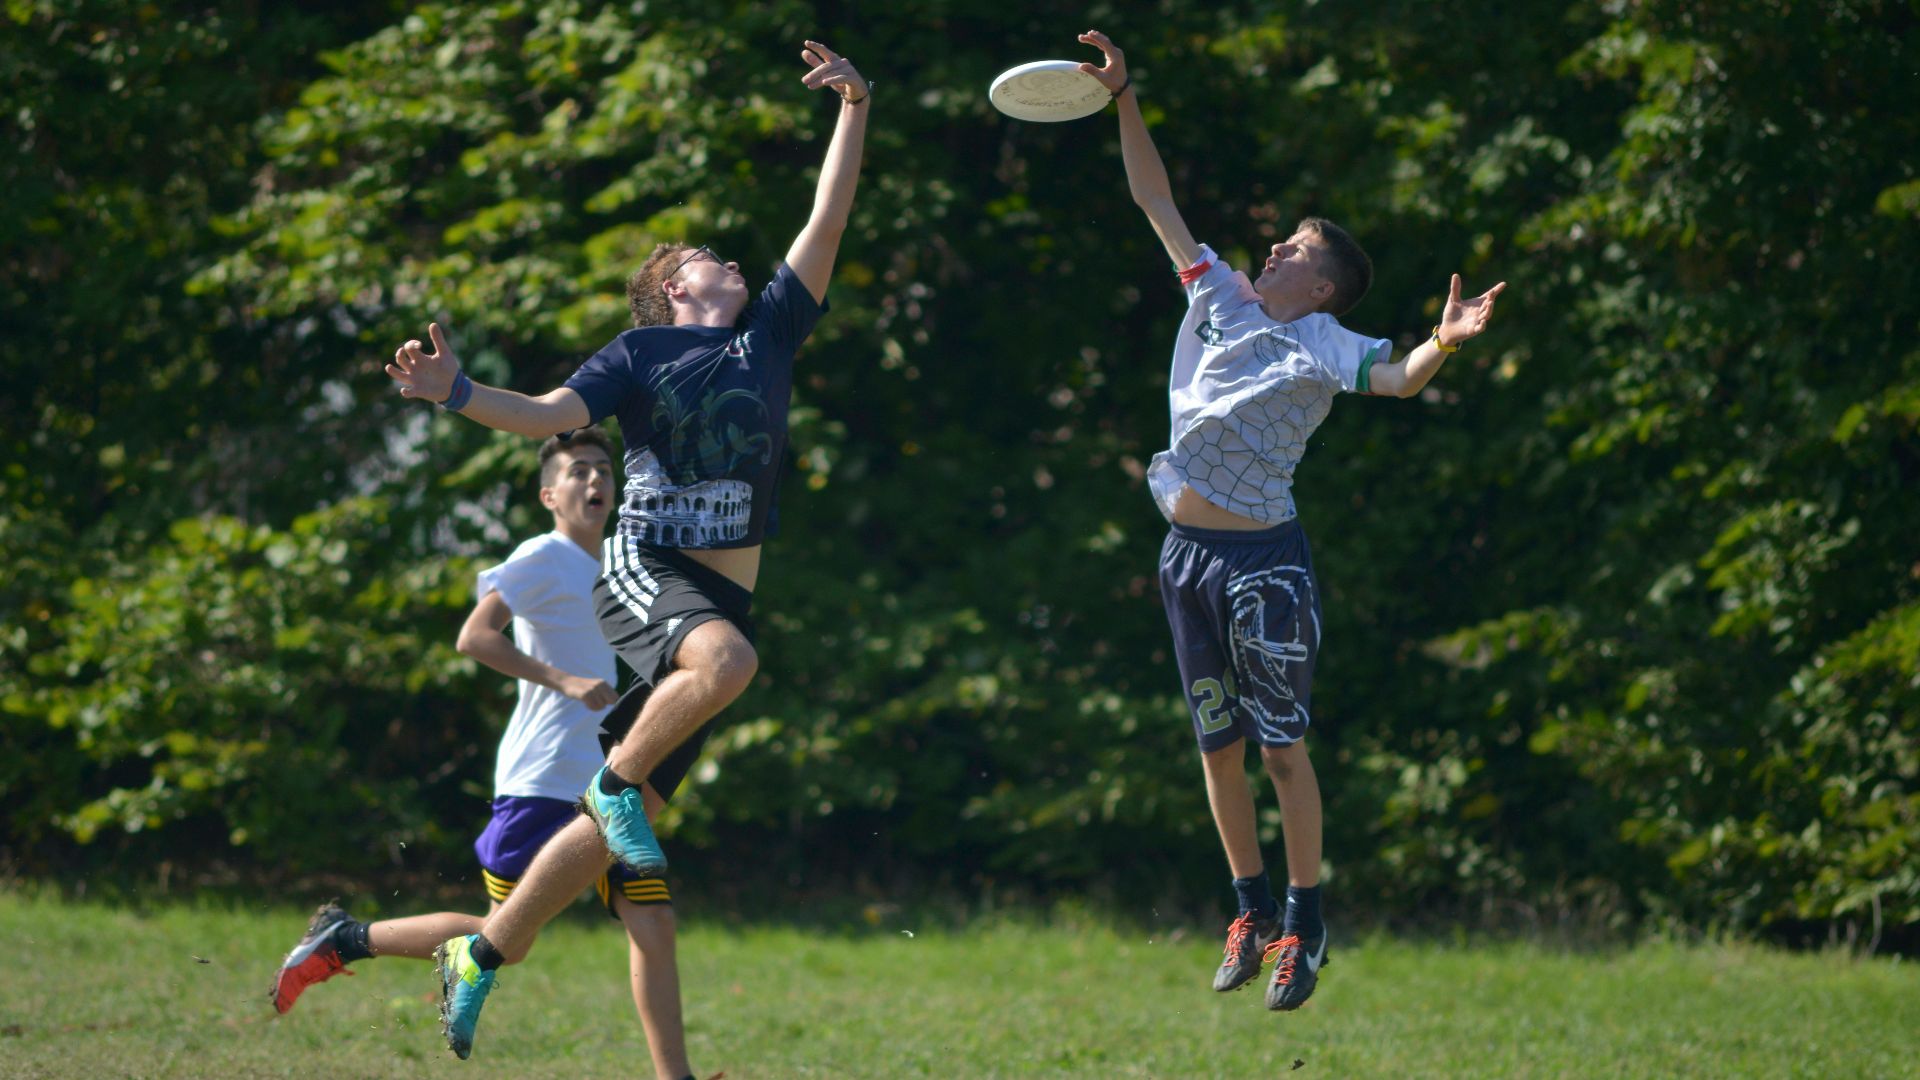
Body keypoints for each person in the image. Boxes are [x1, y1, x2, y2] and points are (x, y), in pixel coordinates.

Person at [382, 39, 869, 1061]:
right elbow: (553, 411)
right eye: (706, 260)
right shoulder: (643, 351)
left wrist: (854, 109)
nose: (730, 261)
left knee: (619, 823)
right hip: (648, 570)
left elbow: (826, 218)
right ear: (672, 292)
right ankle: (609, 785)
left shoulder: (769, 332)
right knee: (722, 677)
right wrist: (458, 394)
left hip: (719, 601)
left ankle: (481, 954)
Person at [1075, 29, 1507, 1012]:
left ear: (1320, 287)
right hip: (1186, 559)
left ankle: (1306, 928)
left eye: (1296, 250)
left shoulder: (1324, 343)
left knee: (1280, 752)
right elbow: (1154, 199)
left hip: (1266, 565)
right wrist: (1123, 98)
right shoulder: (1221, 295)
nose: (1273, 248)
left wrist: (1444, 339)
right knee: (1215, 749)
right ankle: (1249, 907)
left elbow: (1397, 381)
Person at [269, 431, 703, 1079]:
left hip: (614, 776)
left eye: (604, 471)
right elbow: (474, 636)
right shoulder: (543, 556)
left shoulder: (623, 562)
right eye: (579, 471)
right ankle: (346, 939)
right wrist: (564, 682)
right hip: (545, 778)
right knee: (503, 936)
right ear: (548, 494)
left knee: (655, 921)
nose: (595, 481)